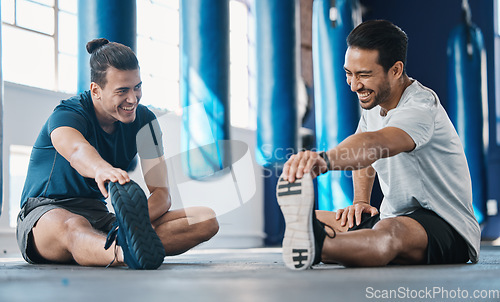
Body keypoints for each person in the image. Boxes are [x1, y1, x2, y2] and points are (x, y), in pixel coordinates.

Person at [277, 20, 480, 270]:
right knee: (314, 218)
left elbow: (375, 144)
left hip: (446, 225)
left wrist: (324, 160)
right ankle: (333, 241)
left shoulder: (420, 107)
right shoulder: (375, 105)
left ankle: (321, 246)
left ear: (395, 70)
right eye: (349, 74)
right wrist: (360, 200)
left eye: (363, 75)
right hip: (394, 217)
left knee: (388, 232)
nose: (353, 85)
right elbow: (365, 157)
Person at [16, 38, 219, 269]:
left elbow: (162, 193)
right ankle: (124, 253)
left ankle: (113, 244)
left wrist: (131, 222)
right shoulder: (67, 114)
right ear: (96, 90)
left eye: (137, 87)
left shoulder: (145, 122)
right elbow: (76, 150)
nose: (132, 99)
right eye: (122, 91)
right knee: (74, 226)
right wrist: (102, 169)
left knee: (205, 219)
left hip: (101, 218)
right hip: (46, 214)